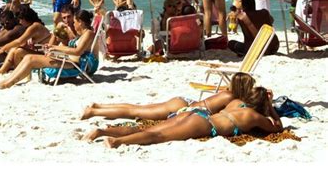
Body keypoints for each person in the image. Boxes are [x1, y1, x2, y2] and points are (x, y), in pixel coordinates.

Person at [85, 87, 283, 148]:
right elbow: (277, 128)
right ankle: (117, 141)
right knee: (159, 137)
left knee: (148, 129)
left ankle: (103, 131)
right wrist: (272, 108)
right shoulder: (254, 116)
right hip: (204, 124)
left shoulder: (235, 103)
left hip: (195, 113)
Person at [81, 72, 255, 121]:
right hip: (183, 107)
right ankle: (94, 112)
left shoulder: (226, 91)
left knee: (139, 108)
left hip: (184, 101)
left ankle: (99, 107)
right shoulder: (231, 98)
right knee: (137, 111)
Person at [0, 9, 96, 89]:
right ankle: (7, 81)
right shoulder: (82, 34)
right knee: (28, 57)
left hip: (76, 64)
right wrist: (55, 48)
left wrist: (55, 47)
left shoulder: (89, 33)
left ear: (80, 22)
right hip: (69, 60)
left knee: (31, 59)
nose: (73, 24)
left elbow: (78, 51)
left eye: (74, 22)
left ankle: (8, 84)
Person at [0, 5, 51, 77]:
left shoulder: (35, 27)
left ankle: (14, 73)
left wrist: (4, 48)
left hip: (46, 55)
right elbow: (23, 44)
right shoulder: (33, 26)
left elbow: (19, 41)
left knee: (18, 51)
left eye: (20, 19)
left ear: (25, 19)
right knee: (15, 50)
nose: (19, 22)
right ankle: (3, 72)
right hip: (41, 52)